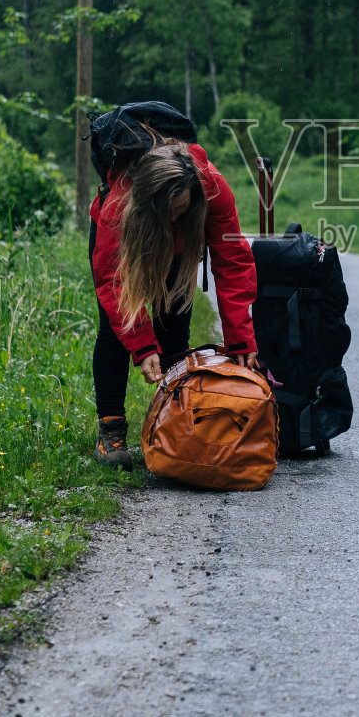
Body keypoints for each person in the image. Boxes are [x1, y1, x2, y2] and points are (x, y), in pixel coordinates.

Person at [88, 116, 257, 469]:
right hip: (132, 239)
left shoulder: (211, 187)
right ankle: (111, 428)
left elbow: (233, 262)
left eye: (180, 207)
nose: (172, 217)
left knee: (175, 326)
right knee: (113, 330)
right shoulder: (119, 205)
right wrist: (142, 345)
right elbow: (112, 283)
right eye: (166, 211)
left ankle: (174, 420)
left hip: (182, 249)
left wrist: (240, 340)